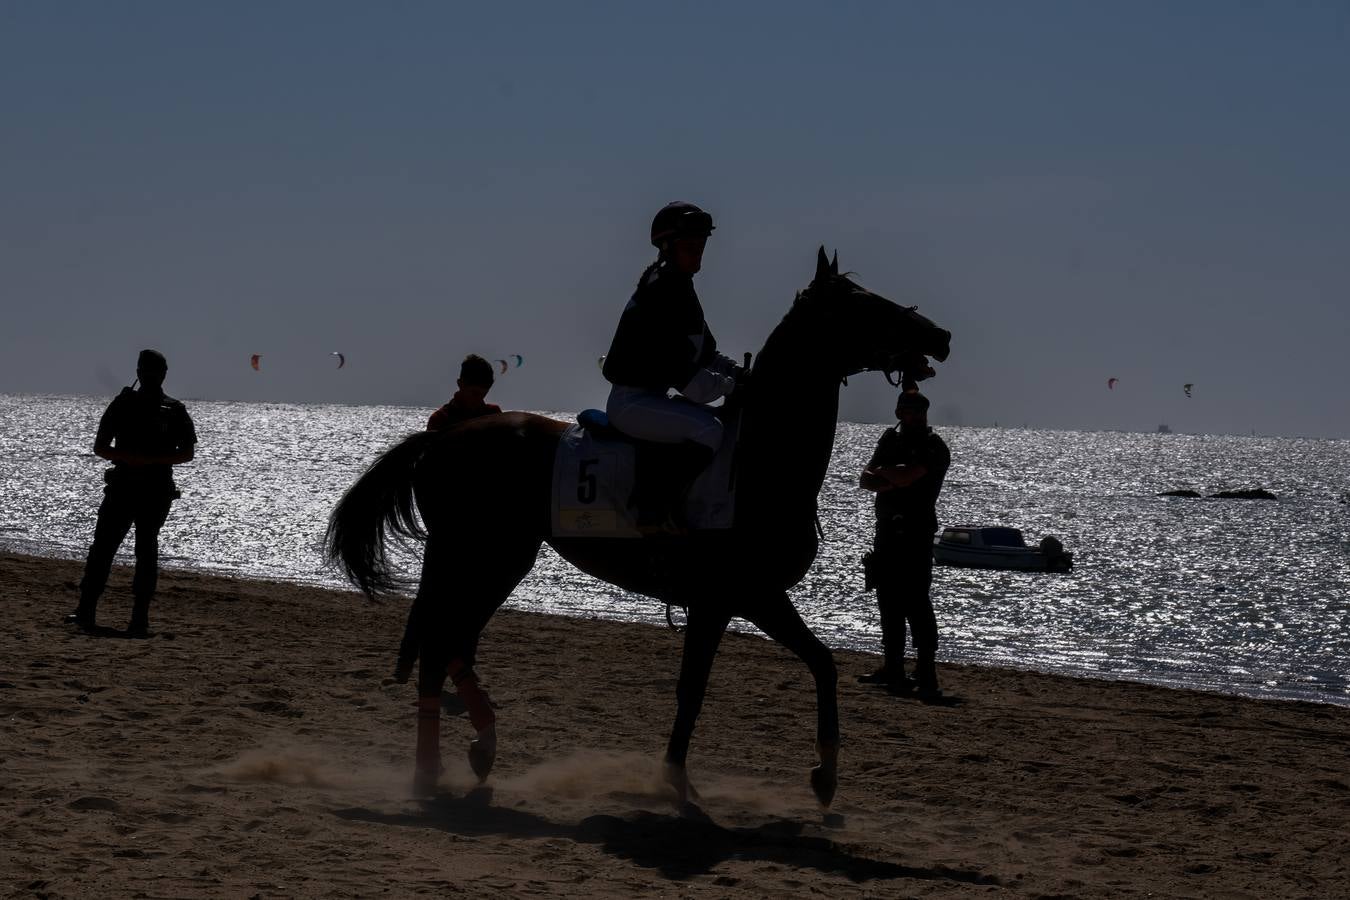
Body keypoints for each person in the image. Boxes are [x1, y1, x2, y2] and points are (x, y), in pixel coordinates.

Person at [601, 201, 741, 532]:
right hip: (631, 403)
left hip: (650, 398)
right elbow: (691, 384)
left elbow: (706, 354)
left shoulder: (679, 288)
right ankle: (656, 512)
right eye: (690, 246)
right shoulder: (662, 292)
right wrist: (732, 386)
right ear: (668, 248)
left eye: (701, 246)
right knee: (710, 430)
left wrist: (739, 373)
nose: (698, 253)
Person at [66, 349, 197, 636]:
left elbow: (187, 453)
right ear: (139, 373)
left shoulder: (174, 409)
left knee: (145, 553)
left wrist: (149, 460)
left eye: (154, 371)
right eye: (146, 371)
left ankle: (139, 619)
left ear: (163, 374)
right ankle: (86, 610)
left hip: (154, 492)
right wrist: (128, 457)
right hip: (123, 487)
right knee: (103, 550)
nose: (149, 376)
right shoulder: (123, 404)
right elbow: (100, 447)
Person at [858, 387, 950, 696]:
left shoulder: (934, 446)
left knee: (916, 600)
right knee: (888, 600)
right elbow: (866, 479)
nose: (911, 417)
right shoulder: (889, 440)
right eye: (906, 411)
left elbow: (909, 475)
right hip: (886, 530)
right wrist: (891, 477)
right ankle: (892, 666)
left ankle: (926, 670)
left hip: (916, 531)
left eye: (916, 411)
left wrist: (886, 476)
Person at [427, 354, 502, 430]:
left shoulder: (494, 414)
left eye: (486, 383)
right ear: (460, 383)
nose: (479, 389)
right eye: (473, 381)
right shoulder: (440, 419)